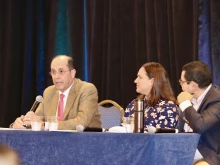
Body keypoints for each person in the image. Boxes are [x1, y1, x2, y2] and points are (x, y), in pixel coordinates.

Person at [12, 55, 101, 130]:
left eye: (61, 71)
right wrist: (22, 123)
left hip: (85, 143)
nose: (56, 77)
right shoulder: (49, 92)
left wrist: (45, 125)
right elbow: (36, 120)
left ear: (72, 73)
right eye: (53, 72)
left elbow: (81, 123)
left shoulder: (86, 89)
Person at [177, 61, 220, 165]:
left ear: (193, 85)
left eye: (181, 81)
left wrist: (185, 104)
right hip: (185, 152)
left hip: (208, 155)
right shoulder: (190, 98)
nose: (180, 85)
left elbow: (200, 126)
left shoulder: (217, 99)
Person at [125, 62, 179, 131]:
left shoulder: (168, 107)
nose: (135, 81)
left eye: (140, 77)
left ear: (152, 81)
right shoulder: (133, 105)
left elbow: (162, 138)